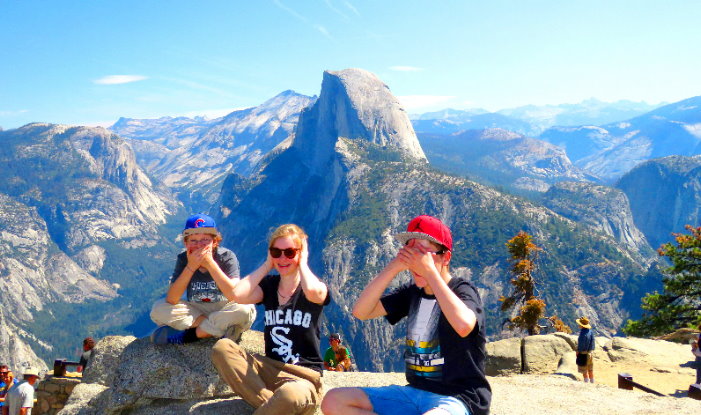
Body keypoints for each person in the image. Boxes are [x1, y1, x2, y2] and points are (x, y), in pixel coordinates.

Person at [321, 215, 491, 415]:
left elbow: (464, 326)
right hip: (413, 393)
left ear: (446, 257)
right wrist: (394, 266)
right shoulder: (412, 293)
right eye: (410, 251)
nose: (416, 261)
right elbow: (361, 311)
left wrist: (430, 274)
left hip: (458, 398)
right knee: (333, 401)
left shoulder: (462, 290)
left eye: (423, 254)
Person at [211, 224, 331, 415]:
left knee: (289, 394)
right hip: (270, 369)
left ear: (300, 253)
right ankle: (277, 406)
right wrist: (268, 264)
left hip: (303, 378)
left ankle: (281, 405)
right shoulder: (269, 286)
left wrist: (303, 263)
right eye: (277, 252)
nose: (282, 258)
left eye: (290, 252)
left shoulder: (314, 288)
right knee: (222, 348)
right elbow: (237, 294)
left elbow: (314, 293)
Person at [150, 213, 256, 345]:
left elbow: (234, 295)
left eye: (205, 239)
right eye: (193, 240)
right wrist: (190, 267)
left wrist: (210, 264)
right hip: (197, 310)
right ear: (186, 243)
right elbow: (172, 299)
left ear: (215, 241)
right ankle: (220, 329)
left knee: (244, 309)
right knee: (158, 308)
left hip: (224, 307)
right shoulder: (184, 259)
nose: (199, 245)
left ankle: (191, 335)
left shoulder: (227, 256)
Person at [576, 316, 595, 383]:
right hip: (590, 353)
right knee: (590, 369)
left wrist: (578, 351)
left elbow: (581, 344)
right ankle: (592, 381)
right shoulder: (590, 332)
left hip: (583, 354)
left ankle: (586, 382)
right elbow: (593, 342)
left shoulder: (582, 334)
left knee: (584, 370)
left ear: (582, 325)